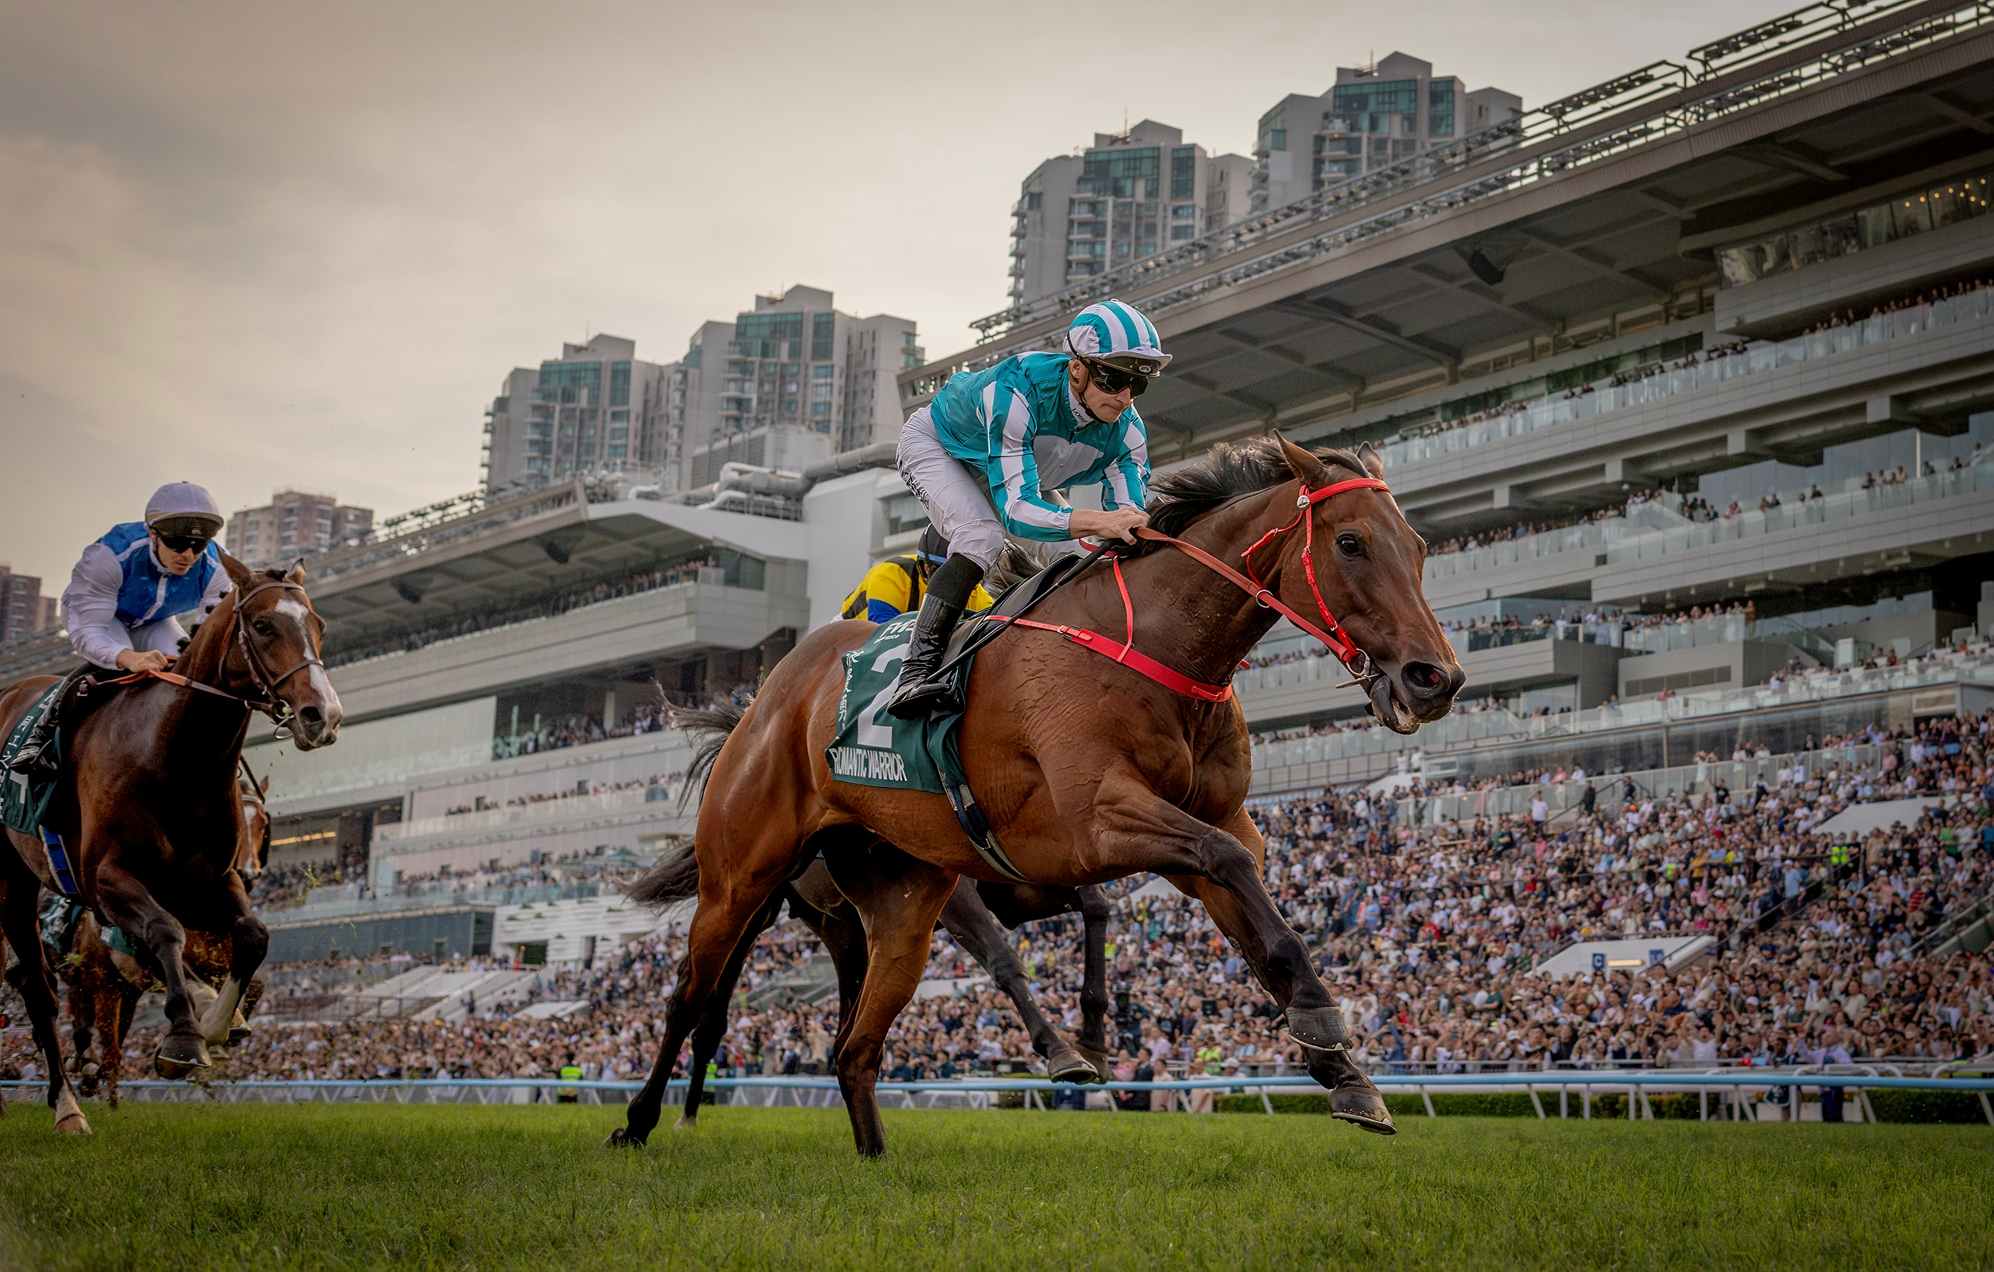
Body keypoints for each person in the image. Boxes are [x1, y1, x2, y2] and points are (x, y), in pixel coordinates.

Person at [885, 299, 1167, 717]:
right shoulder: (1018, 388)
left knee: (1078, 561)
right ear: (1077, 368)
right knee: (981, 535)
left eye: (1137, 385)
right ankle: (915, 672)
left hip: (1020, 472)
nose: (1125, 397)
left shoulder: (1129, 434)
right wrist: (1102, 521)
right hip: (940, 449)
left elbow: (1127, 524)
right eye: (1112, 379)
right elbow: (1016, 510)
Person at [5, 481, 231, 779]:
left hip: (154, 619)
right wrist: (127, 657)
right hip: (98, 617)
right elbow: (90, 631)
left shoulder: (216, 567)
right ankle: (40, 736)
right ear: (153, 534)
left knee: (186, 673)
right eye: (177, 543)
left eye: (197, 546)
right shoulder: (109, 556)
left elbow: (209, 634)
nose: (187, 555)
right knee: (115, 669)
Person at [838, 524, 995, 624]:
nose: (949, 582)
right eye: (941, 571)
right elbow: (881, 635)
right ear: (924, 566)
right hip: (849, 636)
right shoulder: (890, 574)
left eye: (960, 573)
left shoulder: (979, 598)